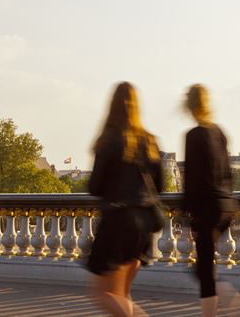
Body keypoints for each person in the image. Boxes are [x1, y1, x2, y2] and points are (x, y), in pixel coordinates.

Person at [87, 82, 164, 317]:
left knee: (102, 293)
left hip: (118, 221)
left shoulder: (110, 139)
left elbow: (95, 186)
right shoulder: (149, 141)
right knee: (122, 295)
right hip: (145, 224)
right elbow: (160, 186)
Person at [182, 84, 238, 317]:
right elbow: (228, 174)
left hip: (208, 208)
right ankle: (233, 304)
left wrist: (189, 219)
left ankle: (231, 307)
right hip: (226, 207)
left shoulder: (194, 135)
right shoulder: (219, 132)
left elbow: (193, 180)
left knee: (204, 269)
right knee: (203, 267)